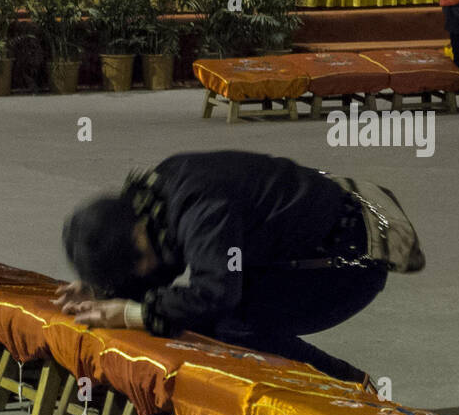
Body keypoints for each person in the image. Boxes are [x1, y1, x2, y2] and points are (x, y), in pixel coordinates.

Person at [57, 150, 400, 384]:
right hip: (287, 256)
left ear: (136, 230)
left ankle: (347, 389)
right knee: (185, 312)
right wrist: (103, 291)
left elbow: (216, 293)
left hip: (348, 266)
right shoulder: (150, 202)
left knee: (229, 322)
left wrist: (135, 313)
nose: (146, 270)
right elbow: (159, 267)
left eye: (139, 262)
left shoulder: (201, 206)